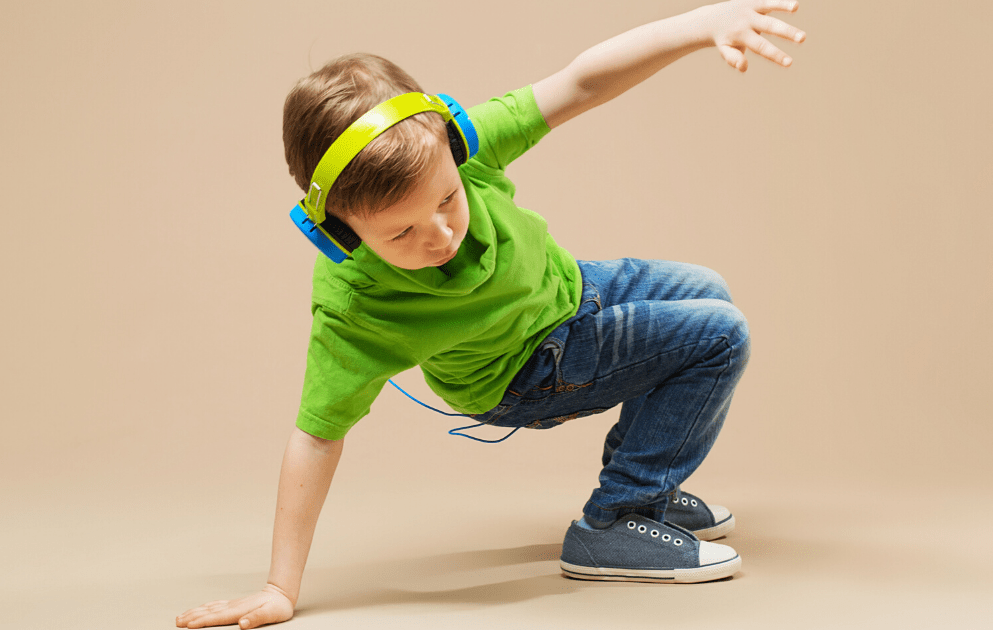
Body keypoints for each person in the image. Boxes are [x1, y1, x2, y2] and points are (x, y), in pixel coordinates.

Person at [177, 1, 805, 627]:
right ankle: (615, 521)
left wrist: (700, 26)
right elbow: (316, 436)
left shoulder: (454, 145)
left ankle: (648, 486)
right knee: (721, 337)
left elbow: (581, 83)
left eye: (448, 199)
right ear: (338, 234)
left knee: (709, 290)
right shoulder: (355, 305)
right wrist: (279, 586)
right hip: (525, 373)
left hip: (571, 290)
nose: (442, 235)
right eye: (401, 233)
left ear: (451, 144)